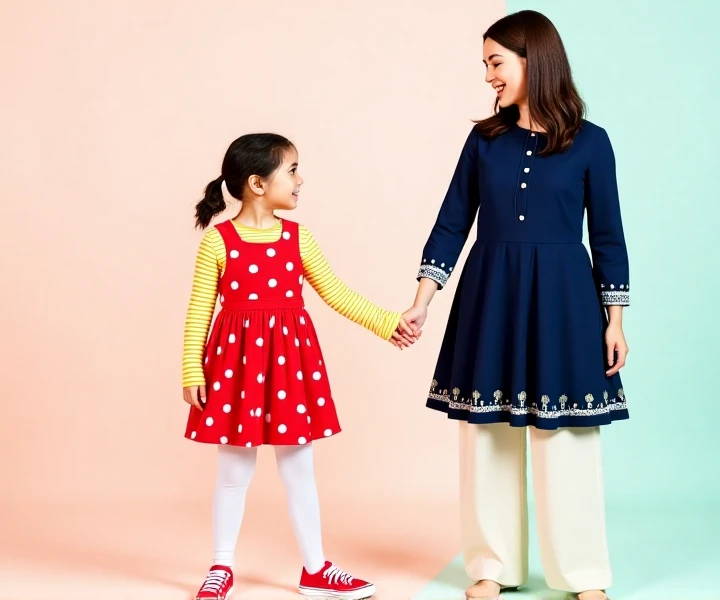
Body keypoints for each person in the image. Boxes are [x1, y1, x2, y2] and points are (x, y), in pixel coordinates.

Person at [401, 11, 630, 600]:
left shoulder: (592, 142)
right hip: (491, 295)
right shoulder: (484, 141)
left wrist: (615, 321)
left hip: (565, 302)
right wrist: (423, 300)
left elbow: (608, 237)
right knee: (488, 435)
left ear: (534, 60)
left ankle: (582, 574)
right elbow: (452, 222)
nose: (488, 76)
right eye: (486, 65)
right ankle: (492, 567)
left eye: (496, 63)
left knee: (568, 437)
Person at [181, 133, 417, 600]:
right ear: (257, 183)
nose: (300, 179)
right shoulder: (218, 242)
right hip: (235, 371)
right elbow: (199, 310)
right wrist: (192, 370)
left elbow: (337, 293)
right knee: (233, 472)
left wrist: (387, 322)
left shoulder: (298, 238)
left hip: (290, 369)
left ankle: (315, 568)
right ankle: (220, 567)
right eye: (291, 170)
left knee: (299, 471)